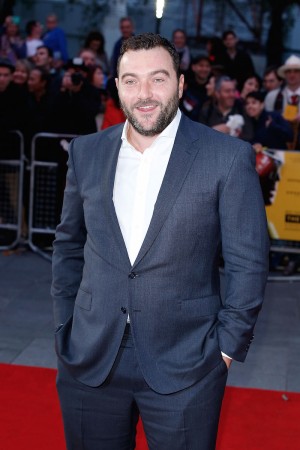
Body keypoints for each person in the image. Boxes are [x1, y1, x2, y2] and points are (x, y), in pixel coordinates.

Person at [52, 33, 269, 450]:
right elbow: (68, 245)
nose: (145, 93)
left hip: (187, 362)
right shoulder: (87, 152)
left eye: (158, 79)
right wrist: (65, 324)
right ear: (116, 86)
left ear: (181, 84)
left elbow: (249, 262)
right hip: (89, 355)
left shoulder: (225, 156)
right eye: (130, 80)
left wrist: (226, 348)